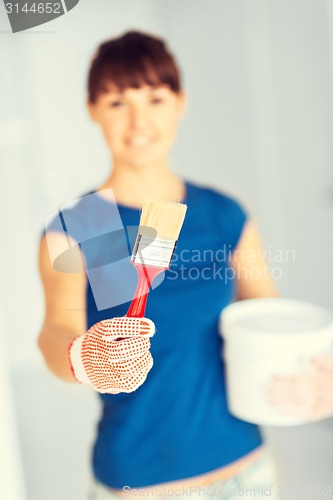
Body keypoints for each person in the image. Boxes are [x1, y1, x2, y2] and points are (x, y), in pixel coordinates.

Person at [37, 31, 333, 500]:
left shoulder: (222, 214)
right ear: (92, 109)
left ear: (180, 103)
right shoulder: (82, 223)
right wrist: (82, 357)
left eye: (155, 98)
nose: (139, 121)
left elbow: (270, 322)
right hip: (139, 480)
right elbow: (54, 333)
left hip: (246, 468)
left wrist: (320, 372)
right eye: (117, 102)